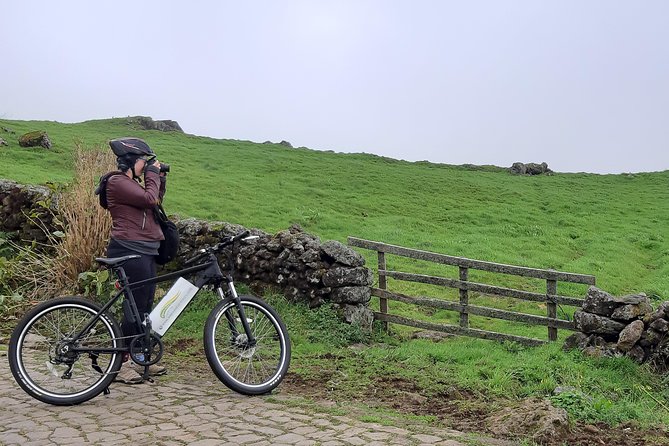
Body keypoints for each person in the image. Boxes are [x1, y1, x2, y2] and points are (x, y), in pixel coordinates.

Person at [105, 137, 168, 384]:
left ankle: (139, 357)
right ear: (131, 161)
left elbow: (155, 201)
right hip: (129, 249)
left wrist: (159, 178)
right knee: (132, 310)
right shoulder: (117, 181)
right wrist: (153, 174)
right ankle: (120, 364)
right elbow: (149, 199)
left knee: (143, 309)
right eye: (144, 161)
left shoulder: (132, 184)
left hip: (145, 249)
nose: (147, 165)